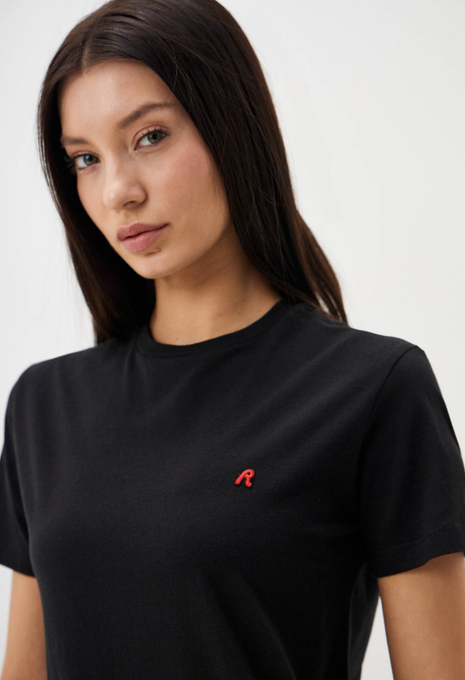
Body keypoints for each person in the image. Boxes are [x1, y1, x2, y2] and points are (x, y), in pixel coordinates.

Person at [1, 0, 465, 678]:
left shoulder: (372, 389)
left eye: (149, 137)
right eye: (85, 158)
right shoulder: (44, 405)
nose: (118, 191)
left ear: (231, 127)